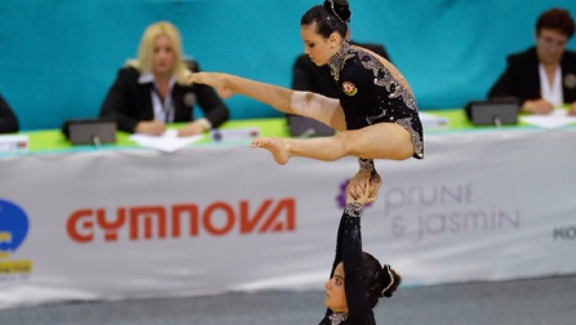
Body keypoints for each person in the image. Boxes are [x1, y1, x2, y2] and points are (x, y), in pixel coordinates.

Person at [187, 0, 423, 192]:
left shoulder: (351, 70)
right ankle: (234, 83)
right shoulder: (342, 61)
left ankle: (290, 147)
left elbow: (356, 129)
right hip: (378, 118)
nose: (305, 51)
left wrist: (366, 171)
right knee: (306, 101)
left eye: (311, 44)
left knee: (344, 141)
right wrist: (233, 83)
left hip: (402, 131)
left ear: (332, 40)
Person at [99, 21, 229, 136]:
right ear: (146, 52)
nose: (162, 56)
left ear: (176, 53)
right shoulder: (130, 76)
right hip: (143, 149)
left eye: (168, 50)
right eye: (155, 50)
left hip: (182, 145)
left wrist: (201, 124)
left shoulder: (191, 73)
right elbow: (106, 114)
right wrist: (137, 126)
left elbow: (220, 110)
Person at [488, 8, 576, 116]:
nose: (553, 49)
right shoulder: (520, 63)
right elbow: (495, 95)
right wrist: (529, 106)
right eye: (548, 40)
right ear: (536, 35)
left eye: (560, 43)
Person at [320, 179, 401, 325]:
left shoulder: (360, 319)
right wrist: (351, 205)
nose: (328, 284)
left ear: (361, 294)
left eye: (338, 281)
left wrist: (355, 208)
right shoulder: (337, 315)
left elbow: (352, 265)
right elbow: (342, 250)